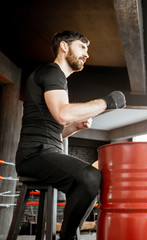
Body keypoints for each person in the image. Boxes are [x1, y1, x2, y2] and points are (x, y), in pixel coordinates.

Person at [15, 31, 126, 240]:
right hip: (33, 154)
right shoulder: (51, 71)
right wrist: (107, 102)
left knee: (90, 179)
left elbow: (55, 128)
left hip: (43, 152)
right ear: (64, 46)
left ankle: (69, 234)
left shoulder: (57, 79)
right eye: (82, 47)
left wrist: (74, 128)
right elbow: (63, 114)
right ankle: (68, 237)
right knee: (90, 177)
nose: (87, 54)